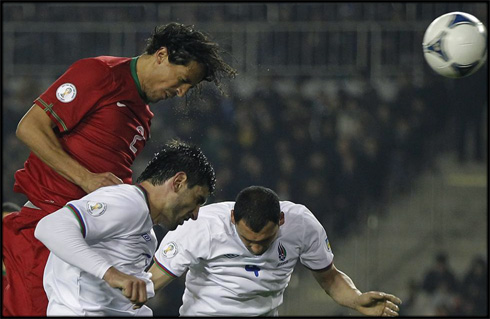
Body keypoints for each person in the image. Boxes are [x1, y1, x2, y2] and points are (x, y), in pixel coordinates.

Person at [2, 22, 236, 316]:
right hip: (47, 226)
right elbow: (29, 128)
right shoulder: (100, 73)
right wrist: (85, 178)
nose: (180, 92)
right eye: (182, 80)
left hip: (85, 238)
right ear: (161, 55)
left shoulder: (143, 115)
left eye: (188, 87)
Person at [149, 186, 402, 316]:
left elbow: (331, 278)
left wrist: (356, 299)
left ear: (281, 219)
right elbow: (149, 283)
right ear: (233, 218)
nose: (257, 249)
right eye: (248, 240)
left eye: (266, 240)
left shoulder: (302, 225)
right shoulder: (201, 227)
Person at [33, 140, 215, 316]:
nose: (196, 214)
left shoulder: (146, 231)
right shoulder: (127, 203)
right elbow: (50, 227)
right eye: (197, 200)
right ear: (178, 182)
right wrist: (111, 274)